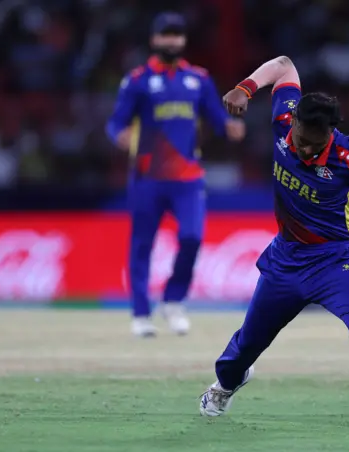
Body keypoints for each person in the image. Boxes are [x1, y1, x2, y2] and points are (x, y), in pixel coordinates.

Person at [199, 56, 349, 428]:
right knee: (248, 344)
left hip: (334, 259)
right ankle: (226, 383)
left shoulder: (347, 154)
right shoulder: (282, 121)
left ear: (330, 133)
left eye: (316, 144)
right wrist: (245, 88)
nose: (307, 150)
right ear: (291, 121)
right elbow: (283, 64)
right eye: (303, 141)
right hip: (286, 260)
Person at [106, 12, 245, 337]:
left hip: (187, 177)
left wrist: (230, 128)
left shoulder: (198, 79)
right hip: (147, 176)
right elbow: (115, 122)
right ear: (154, 40)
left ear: (183, 40)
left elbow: (216, 119)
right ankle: (141, 314)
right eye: (166, 35)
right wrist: (119, 136)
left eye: (177, 35)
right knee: (142, 245)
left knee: (192, 237)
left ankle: (173, 300)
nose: (172, 41)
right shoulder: (138, 80)